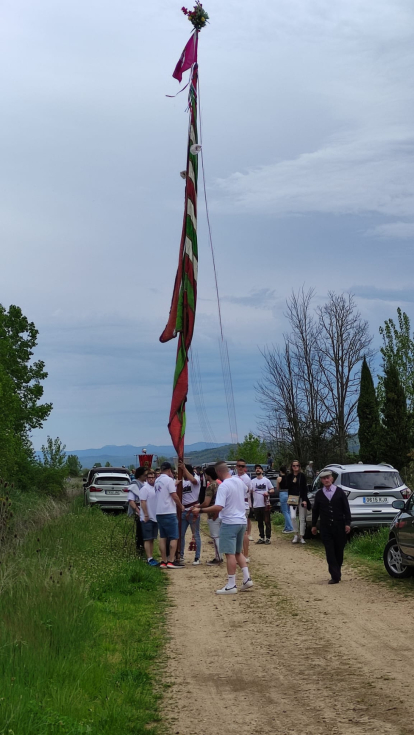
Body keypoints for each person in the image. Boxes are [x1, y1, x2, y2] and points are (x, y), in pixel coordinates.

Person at [192, 461, 253, 594]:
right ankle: (247, 578)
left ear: (219, 472)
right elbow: (247, 490)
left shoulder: (224, 486)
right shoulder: (238, 481)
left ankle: (231, 585)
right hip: (242, 520)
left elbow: (219, 507)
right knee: (238, 552)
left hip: (230, 522)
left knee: (229, 554)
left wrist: (200, 511)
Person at [311, 470, 351, 584]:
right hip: (325, 527)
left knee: (339, 550)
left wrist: (347, 523)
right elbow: (315, 511)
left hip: (339, 526)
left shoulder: (340, 492)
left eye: (328, 478)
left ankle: (337, 570)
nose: (326, 480)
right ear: (321, 480)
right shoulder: (319, 494)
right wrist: (314, 525)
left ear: (332, 479)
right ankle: (335, 575)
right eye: (324, 478)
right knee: (329, 551)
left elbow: (346, 509)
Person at [154, 462, 186, 569]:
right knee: (174, 536)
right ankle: (171, 560)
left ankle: (163, 560)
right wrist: (180, 505)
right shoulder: (168, 480)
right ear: (169, 470)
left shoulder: (157, 480)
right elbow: (174, 495)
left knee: (163, 537)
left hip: (159, 512)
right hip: (169, 511)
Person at [179, 462, 202, 565]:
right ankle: (181, 555)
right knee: (181, 534)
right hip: (184, 511)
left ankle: (197, 557)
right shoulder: (182, 481)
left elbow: (193, 481)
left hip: (193, 510)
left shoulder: (196, 478)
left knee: (196, 534)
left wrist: (184, 469)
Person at [200, 465, 222, 565]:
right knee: (219, 536)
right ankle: (220, 556)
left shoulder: (210, 486)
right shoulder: (219, 485)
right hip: (222, 512)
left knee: (215, 536)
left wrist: (198, 508)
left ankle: (218, 557)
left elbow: (206, 503)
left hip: (213, 513)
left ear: (207, 475)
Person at [139, 470, 159, 566]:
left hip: (155, 516)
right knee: (147, 538)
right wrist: (146, 515)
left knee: (152, 538)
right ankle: (149, 558)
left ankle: (151, 556)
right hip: (147, 517)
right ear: (147, 478)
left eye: (153, 477)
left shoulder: (155, 488)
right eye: (149, 478)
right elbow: (143, 502)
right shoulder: (144, 489)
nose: (151, 479)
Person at [286, 460, 309, 545]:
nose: (295, 467)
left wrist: (305, 500)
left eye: (297, 465)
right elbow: (288, 487)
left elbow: (305, 488)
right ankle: (296, 534)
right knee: (292, 517)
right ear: (291, 467)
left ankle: (302, 536)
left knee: (302, 518)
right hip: (292, 498)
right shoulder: (289, 476)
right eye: (294, 466)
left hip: (301, 498)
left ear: (299, 467)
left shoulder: (302, 476)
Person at [252, 465, 274, 544]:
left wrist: (267, 492)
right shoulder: (253, 481)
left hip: (265, 504)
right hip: (256, 504)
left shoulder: (266, 480)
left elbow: (272, 489)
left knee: (267, 521)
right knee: (259, 522)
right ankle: (261, 537)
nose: (258, 470)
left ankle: (268, 538)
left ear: (262, 470)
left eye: (259, 469)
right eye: (256, 469)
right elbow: (249, 491)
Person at [127, 466, 147, 554]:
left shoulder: (146, 484)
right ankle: (140, 550)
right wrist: (138, 512)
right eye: (145, 475)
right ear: (140, 475)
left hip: (146, 510)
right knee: (140, 532)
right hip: (139, 510)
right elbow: (131, 500)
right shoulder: (134, 485)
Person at [235, 458, 253, 557]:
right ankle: (239, 552)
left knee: (244, 531)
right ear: (236, 467)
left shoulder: (246, 479)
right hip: (236, 506)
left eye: (242, 466)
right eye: (239, 466)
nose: (241, 468)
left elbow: (247, 492)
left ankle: (245, 554)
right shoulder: (234, 477)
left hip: (243, 505)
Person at [277, 465, 294, 533]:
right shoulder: (289, 477)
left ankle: (290, 527)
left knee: (285, 511)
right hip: (289, 493)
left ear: (280, 471)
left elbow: (278, 488)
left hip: (283, 493)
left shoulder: (279, 478)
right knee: (289, 511)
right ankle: (287, 526)